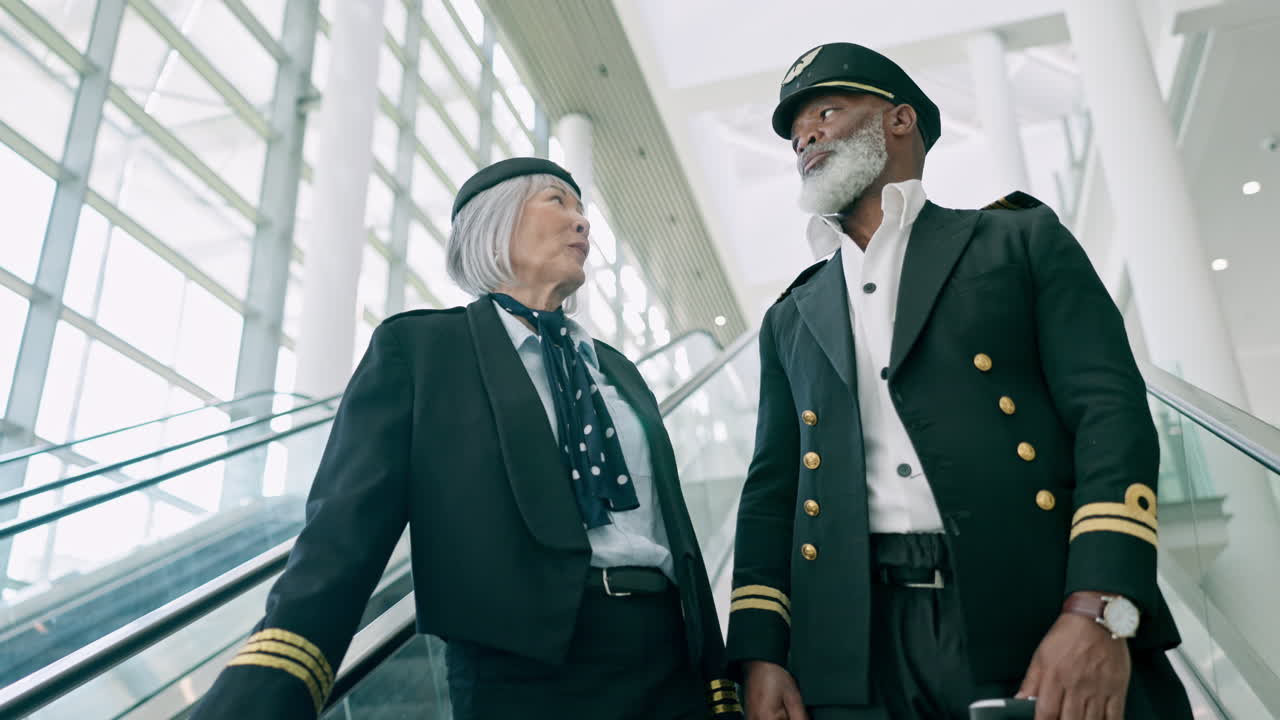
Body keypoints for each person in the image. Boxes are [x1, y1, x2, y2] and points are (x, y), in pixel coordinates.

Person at [725, 43, 1194, 720]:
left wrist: (1102, 609)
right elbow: (773, 492)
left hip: (1031, 604)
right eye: (797, 131)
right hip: (853, 644)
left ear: (900, 120)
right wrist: (762, 651)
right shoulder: (790, 316)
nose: (806, 136)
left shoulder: (1017, 241)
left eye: (828, 110)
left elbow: (1110, 420)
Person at [191, 158, 741, 720]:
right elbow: (345, 528)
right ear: (493, 223)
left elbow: (675, 532)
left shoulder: (618, 372)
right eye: (557, 201)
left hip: (668, 665)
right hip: (523, 675)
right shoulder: (425, 351)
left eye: (582, 209)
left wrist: (718, 676)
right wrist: (270, 681)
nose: (581, 223)